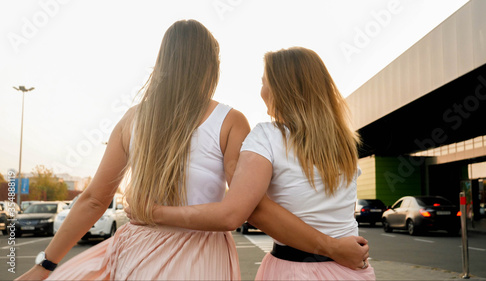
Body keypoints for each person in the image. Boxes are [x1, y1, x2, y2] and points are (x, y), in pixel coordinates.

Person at [15, 21, 367, 281]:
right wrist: (330, 245)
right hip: (204, 253)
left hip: (138, 250)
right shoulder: (231, 120)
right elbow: (248, 206)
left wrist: (45, 265)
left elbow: (93, 199)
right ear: (211, 66)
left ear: (163, 61)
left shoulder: (133, 119)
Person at [127, 47, 376, 280]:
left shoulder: (267, 136)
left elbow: (240, 212)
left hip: (295, 271)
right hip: (353, 269)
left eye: (263, 82)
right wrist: (336, 247)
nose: (261, 91)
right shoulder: (344, 144)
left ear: (282, 89)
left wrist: (152, 212)